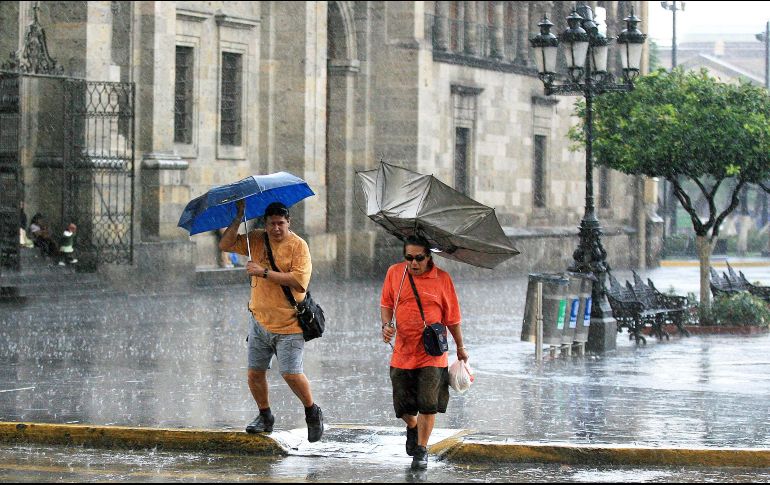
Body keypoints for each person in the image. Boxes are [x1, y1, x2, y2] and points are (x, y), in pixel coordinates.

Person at [219, 200, 323, 442]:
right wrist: (238, 217)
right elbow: (225, 244)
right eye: (272, 224)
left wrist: (263, 272)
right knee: (254, 373)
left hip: (289, 323)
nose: (276, 228)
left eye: (281, 223)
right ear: (265, 224)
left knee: (291, 373)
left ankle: (312, 411)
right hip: (259, 321)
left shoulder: (298, 246)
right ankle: (265, 415)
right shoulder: (256, 239)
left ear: (289, 223)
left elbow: (299, 282)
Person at [380, 235, 468, 470]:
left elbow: (453, 318)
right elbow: (386, 304)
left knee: (428, 403)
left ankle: (421, 449)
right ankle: (412, 426)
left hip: (432, 352)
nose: (413, 263)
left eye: (419, 258)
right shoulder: (395, 273)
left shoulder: (442, 279)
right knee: (402, 406)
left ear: (429, 257)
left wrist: (460, 347)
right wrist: (386, 326)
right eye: (408, 258)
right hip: (402, 352)